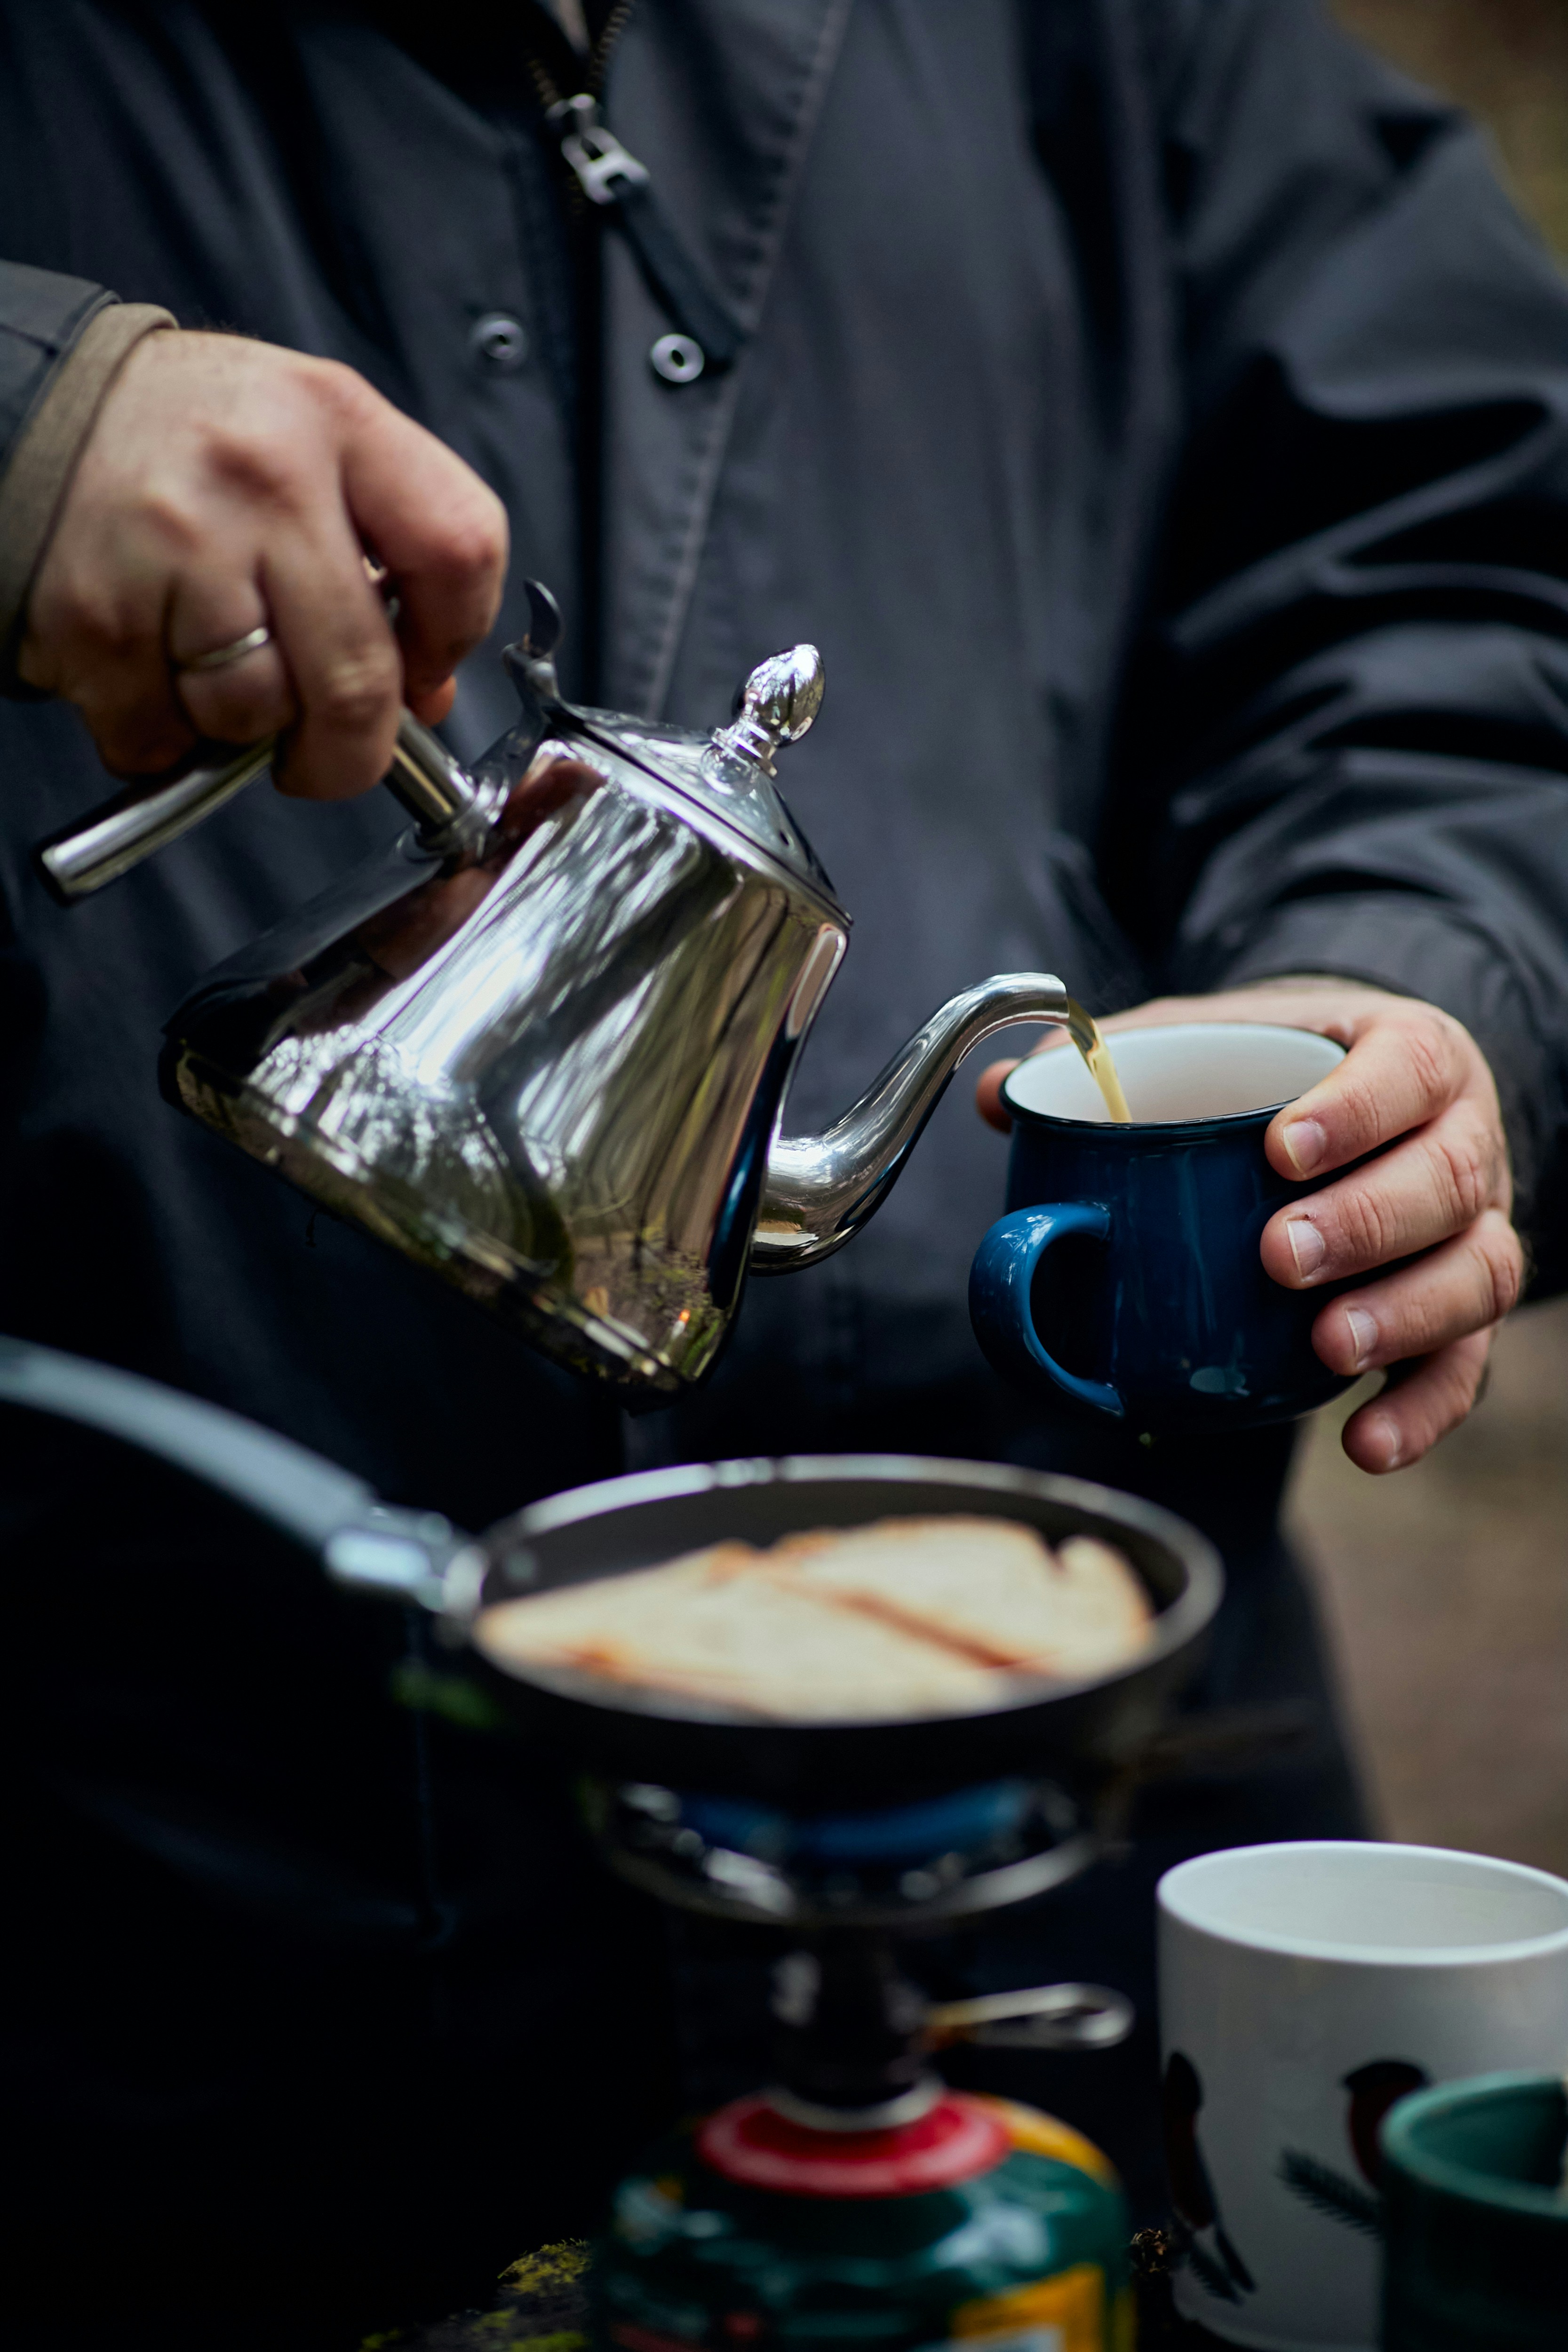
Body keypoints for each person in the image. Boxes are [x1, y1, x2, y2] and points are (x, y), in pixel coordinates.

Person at [0, 3, 1563, 2343]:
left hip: (1100, 1939)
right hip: (137, 2015)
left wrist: (1421, 963)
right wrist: (18, 406)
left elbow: (1458, 586)